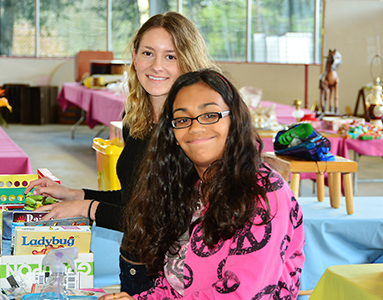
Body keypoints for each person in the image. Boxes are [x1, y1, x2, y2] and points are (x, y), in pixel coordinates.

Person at [24, 12, 218, 295]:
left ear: (189, 61)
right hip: (133, 265)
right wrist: (75, 194)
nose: (156, 66)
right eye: (148, 53)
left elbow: (167, 219)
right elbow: (134, 199)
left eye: (171, 57)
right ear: (135, 55)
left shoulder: (193, 129)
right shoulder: (135, 118)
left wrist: (86, 209)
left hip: (173, 279)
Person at [101, 69, 305, 300]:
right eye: (183, 119)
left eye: (210, 115)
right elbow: (174, 282)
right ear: (173, 134)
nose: (195, 128)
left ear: (234, 120)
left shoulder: (263, 192)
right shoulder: (190, 188)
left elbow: (242, 294)